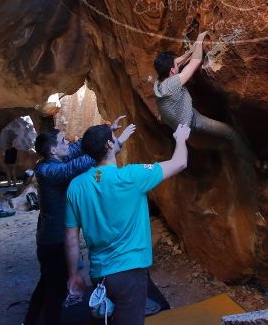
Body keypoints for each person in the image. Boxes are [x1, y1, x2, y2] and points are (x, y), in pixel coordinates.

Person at [64, 123, 191, 325]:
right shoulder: (132, 176)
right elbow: (180, 162)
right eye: (113, 137)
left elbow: (71, 237)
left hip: (99, 273)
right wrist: (181, 139)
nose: (116, 140)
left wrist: (73, 274)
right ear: (108, 144)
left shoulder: (76, 185)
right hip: (129, 273)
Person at [25, 120, 135, 325]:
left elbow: (77, 149)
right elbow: (76, 166)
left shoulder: (52, 162)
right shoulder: (48, 171)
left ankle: (31, 320)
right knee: (54, 291)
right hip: (54, 240)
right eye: (62, 141)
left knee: (47, 284)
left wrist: (105, 133)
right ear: (52, 150)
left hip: (51, 237)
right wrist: (114, 144)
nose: (67, 143)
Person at [153, 31, 254, 165]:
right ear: (172, 71)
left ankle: (230, 148)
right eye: (175, 66)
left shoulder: (159, 81)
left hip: (178, 121)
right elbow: (195, 63)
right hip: (191, 121)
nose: (178, 64)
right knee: (230, 134)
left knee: (221, 139)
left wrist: (192, 49)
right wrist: (200, 39)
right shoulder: (172, 84)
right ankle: (256, 162)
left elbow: (177, 61)